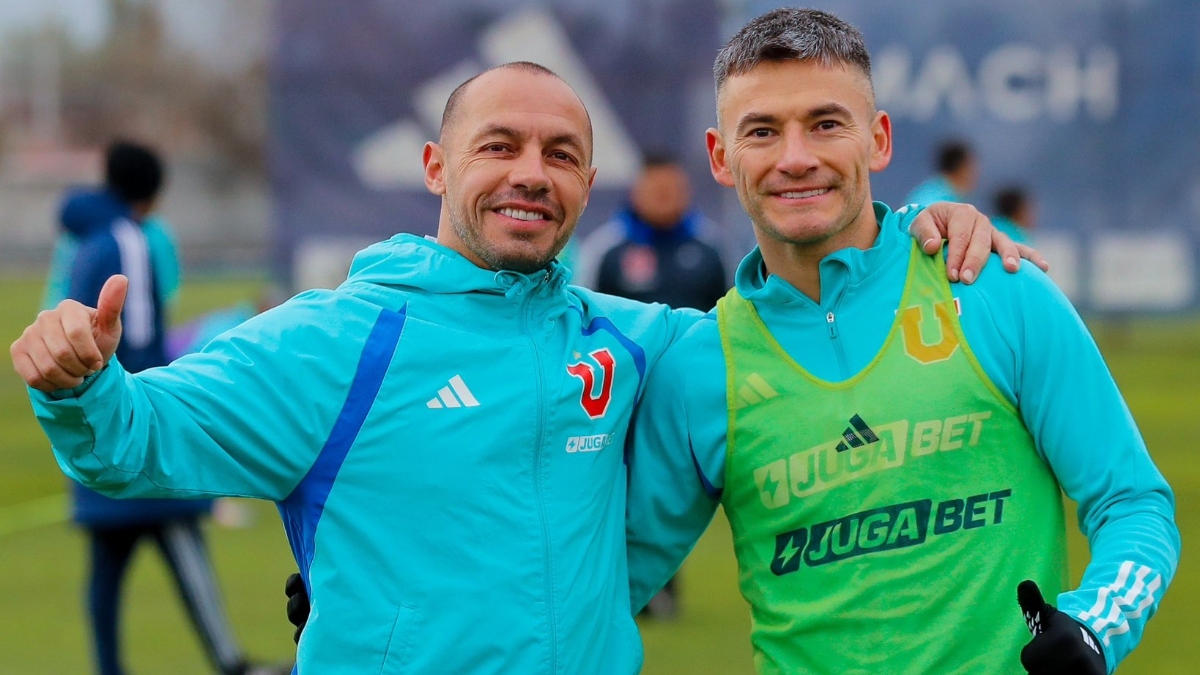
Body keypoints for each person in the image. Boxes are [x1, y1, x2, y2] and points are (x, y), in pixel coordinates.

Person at [14, 62, 1027, 673]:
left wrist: (915, 234)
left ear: (589, 183)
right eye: (499, 146)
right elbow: (133, 441)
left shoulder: (639, 340)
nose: (530, 174)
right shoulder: (335, 341)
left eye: (560, 154)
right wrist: (77, 383)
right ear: (438, 168)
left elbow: (791, 324)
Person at [624, 9, 1179, 675]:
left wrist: (1095, 624)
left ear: (878, 139)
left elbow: (1133, 502)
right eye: (763, 131)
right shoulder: (699, 366)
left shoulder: (992, 288)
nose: (795, 157)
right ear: (720, 156)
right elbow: (596, 594)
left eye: (826, 124)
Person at [44, 141, 287, 675]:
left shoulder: (86, 238)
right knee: (180, 537)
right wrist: (158, 413)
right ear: (152, 193)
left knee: (106, 567)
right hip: (127, 419)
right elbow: (141, 341)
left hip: (91, 415)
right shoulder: (129, 241)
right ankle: (232, 663)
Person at [574, 153, 728, 313]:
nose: (663, 199)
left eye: (670, 191)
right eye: (656, 191)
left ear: (686, 192)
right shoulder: (604, 249)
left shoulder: (716, 248)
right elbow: (583, 313)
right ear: (635, 192)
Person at [904, 138, 978, 207]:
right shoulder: (936, 202)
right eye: (971, 169)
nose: (975, 176)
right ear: (961, 169)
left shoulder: (931, 191)